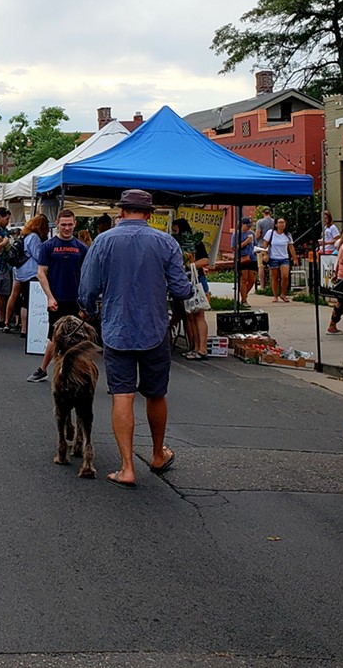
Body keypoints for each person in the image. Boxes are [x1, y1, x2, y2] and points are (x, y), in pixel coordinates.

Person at [78, 189, 192, 488]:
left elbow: (88, 288)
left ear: (121, 211)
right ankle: (157, 454)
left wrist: (88, 309)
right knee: (156, 394)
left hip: (117, 329)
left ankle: (127, 467)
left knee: (122, 394)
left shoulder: (103, 241)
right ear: (150, 214)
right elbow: (182, 290)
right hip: (155, 328)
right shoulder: (165, 242)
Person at [27, 209, 89, 382]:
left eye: (70, 224)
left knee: (77, 337)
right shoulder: (48, 246)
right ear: (57, 224)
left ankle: (75, 371)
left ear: (75, 224)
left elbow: (87, 275)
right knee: (54, 336)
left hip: (76, 301)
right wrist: (50, 297)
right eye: (63, 225)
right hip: (57, 299)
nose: (67, 228)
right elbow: (41, 273)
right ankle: (43, 369)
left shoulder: (81, 248)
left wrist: (85, 300)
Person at [172, 218, 210, 361]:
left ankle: (202, 348)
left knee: (198, 315)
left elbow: (206, 260)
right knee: (189, 316)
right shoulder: (176, 243)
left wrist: (190, 265)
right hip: (183, 283)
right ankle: (194, 347)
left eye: (175, 228)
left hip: (196, 282)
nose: (174, 230)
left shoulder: (195, 243)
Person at [7, 213, 47, 337]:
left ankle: (22, 328)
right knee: (29, 301)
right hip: (31, 272)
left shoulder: (25, 235)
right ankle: (27, 328)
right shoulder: (34, 237)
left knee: (24, 300)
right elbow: (38, 255)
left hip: (21, 272)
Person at [263, 217, 296, 303]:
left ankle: (283, 294)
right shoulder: (271, 233)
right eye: (280, 222)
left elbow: (291, 247)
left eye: (283, 222)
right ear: (276, 224)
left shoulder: (288, 235)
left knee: (285, 276)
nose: (282, 224)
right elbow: (265, 244)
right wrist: (265, 254)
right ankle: (275, 296)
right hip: (274, 257)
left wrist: (295, 258)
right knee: (275, 277)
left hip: (284, 257)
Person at [232, 216, 258, 304]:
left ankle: (244, 294)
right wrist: (245, 242)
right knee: (243, 279)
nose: (249, 227)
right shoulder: (236, 234)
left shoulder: (252, 233)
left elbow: (255, 245)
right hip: (242, 257)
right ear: (242, 225)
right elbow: (234, 248)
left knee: (252, 279)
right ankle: (244, 300)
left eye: (250, 225)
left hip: (252, 257)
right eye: (247, 225)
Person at [254, 207, 275, 289]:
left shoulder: (260, 222)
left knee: (261, 266)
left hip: (261, 246)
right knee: (271, 266)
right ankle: (271, 285)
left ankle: (262, 286)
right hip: (272, 246)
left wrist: (256, 239)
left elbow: (258, 234)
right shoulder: (274, 222)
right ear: (270, 212)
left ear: (263, 213)